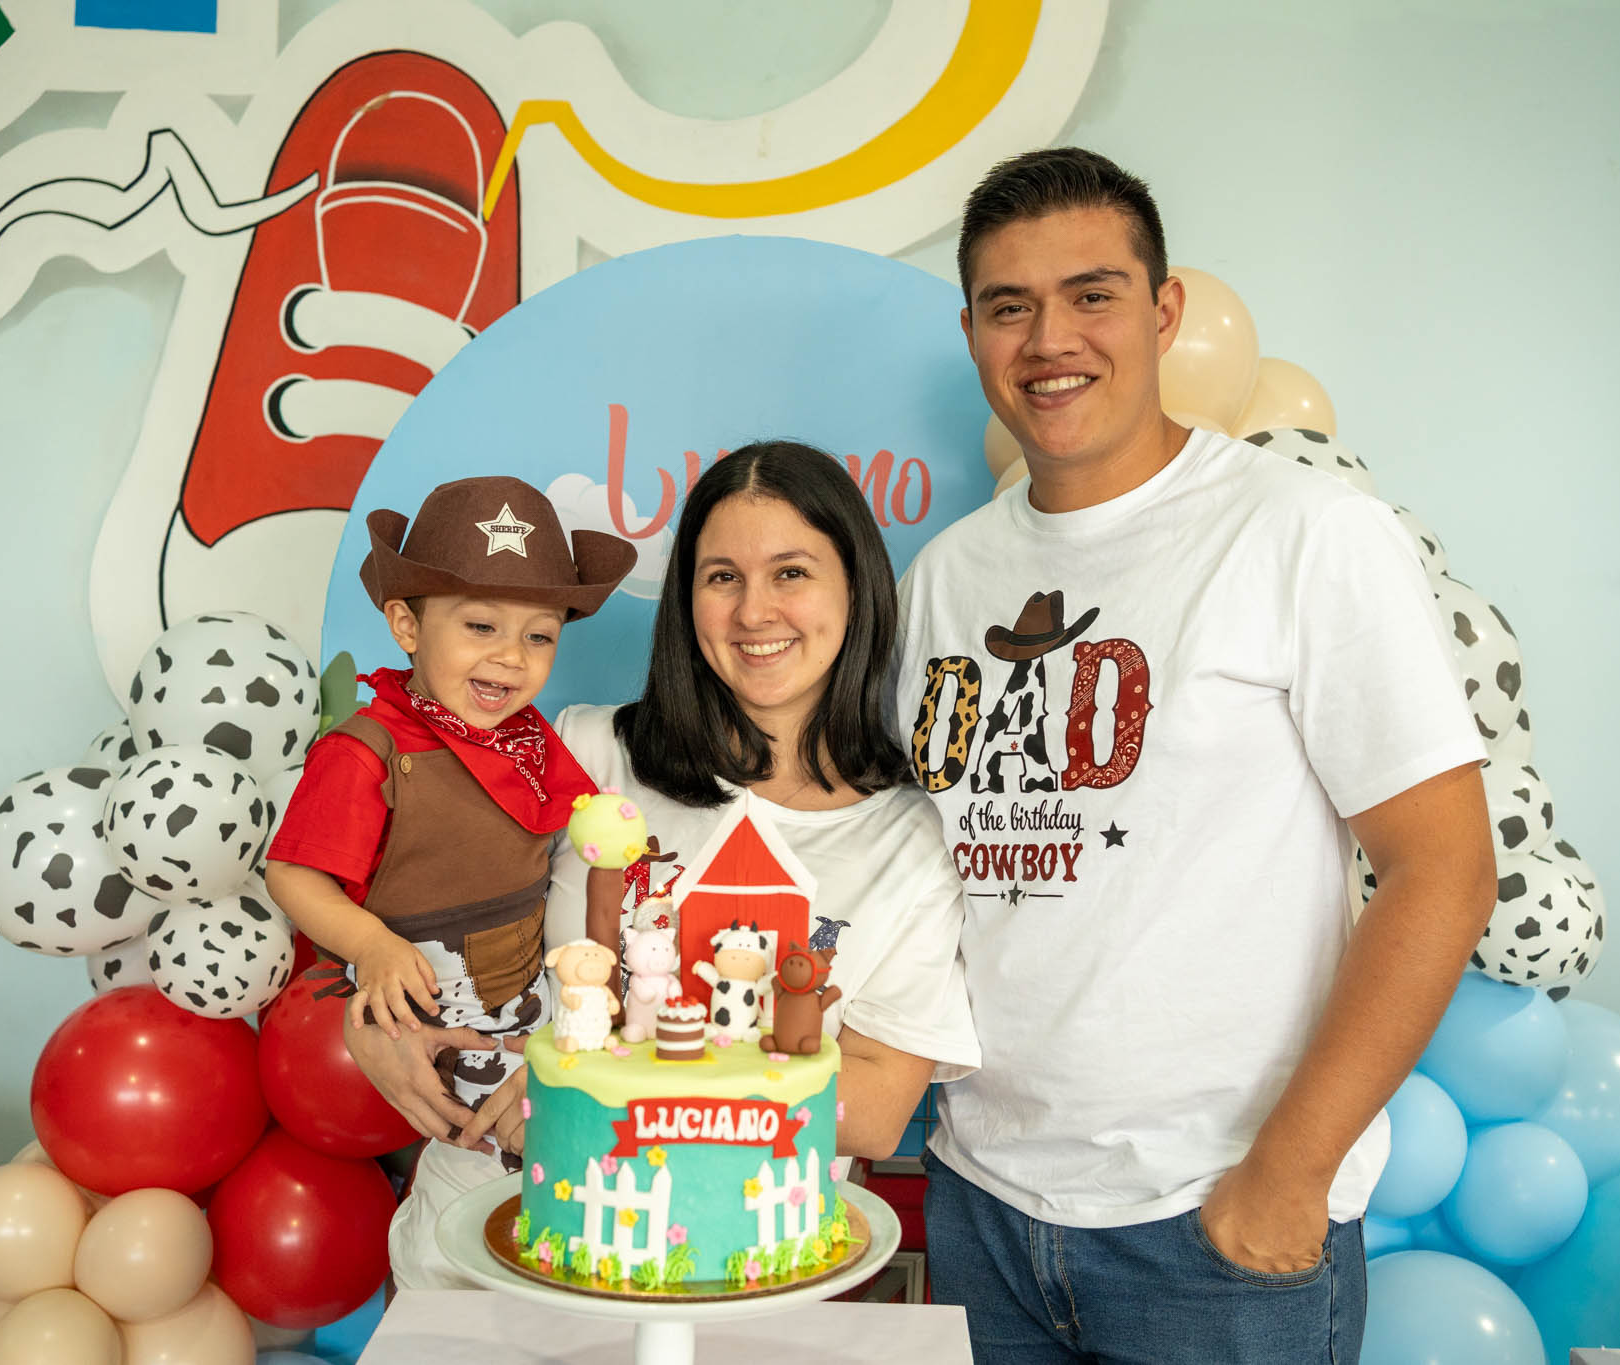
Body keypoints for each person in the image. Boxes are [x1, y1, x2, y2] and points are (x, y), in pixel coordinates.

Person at [892, 147, 1496, 1363]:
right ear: (970, 332)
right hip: (983, 1208)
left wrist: (1288, 1173)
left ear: (1163, 311)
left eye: (1091, 294)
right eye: (1009, 306)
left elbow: (1442, 870)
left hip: (1213, 1227)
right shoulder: (947, 575)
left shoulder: (1304, 534)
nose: (1049, 338)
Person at [348, 441, 981, 1290]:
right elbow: (405, 907)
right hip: (495, 1235)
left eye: (791, 572)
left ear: (857, 589)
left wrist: (579, 1104)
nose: (755, 611)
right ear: (687, 601)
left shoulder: (909, 835)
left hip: (733, 1270)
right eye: (722, 577)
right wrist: (363, 1023)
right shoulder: (577, 752)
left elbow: (873, 1111)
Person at [265, 475, 635, 1146]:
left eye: (539, 637)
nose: (509, 657)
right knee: (509, 1151)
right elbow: (291, 874)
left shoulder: (526, 738)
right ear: (407, 623)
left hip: (528, 998)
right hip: (440, 1010)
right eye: (480, 626)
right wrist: (371, 944)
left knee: (572, 1128)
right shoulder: (366, 750)